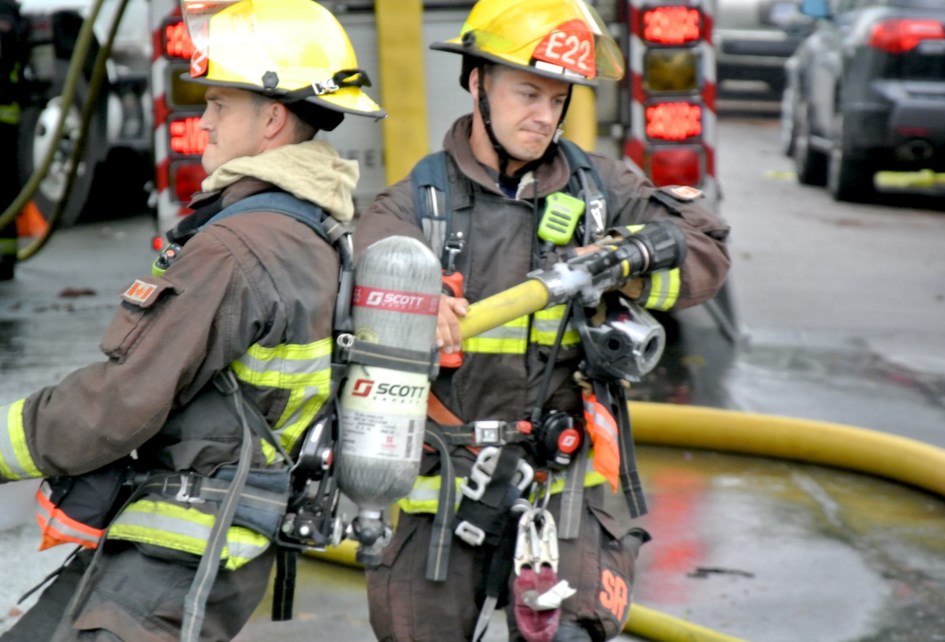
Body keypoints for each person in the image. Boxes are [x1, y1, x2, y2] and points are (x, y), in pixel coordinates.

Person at [0, 0, 384, 639]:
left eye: (219, 105)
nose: (202, 122)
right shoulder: (314, 228)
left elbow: (122, 401)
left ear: (271, 119)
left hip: (177, 550)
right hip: (208, 540)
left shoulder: (237, 248)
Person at [353, 0, 731, 641]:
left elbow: (706, 249)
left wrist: (630, 263)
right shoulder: (415, 206)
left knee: (575, 632)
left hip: (567, 474)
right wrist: (409, 303)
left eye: (558, 100)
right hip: (445, 476)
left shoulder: (600, 190)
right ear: (476, 81)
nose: (544, 116)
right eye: (528, 92)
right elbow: (357, 284)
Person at [0, 0, 28, 281]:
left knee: (5, 190)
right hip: (8, 117)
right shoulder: (11, 15)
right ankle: (6, 257)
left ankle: (6, 258)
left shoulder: (5, 16)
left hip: (5, 119)